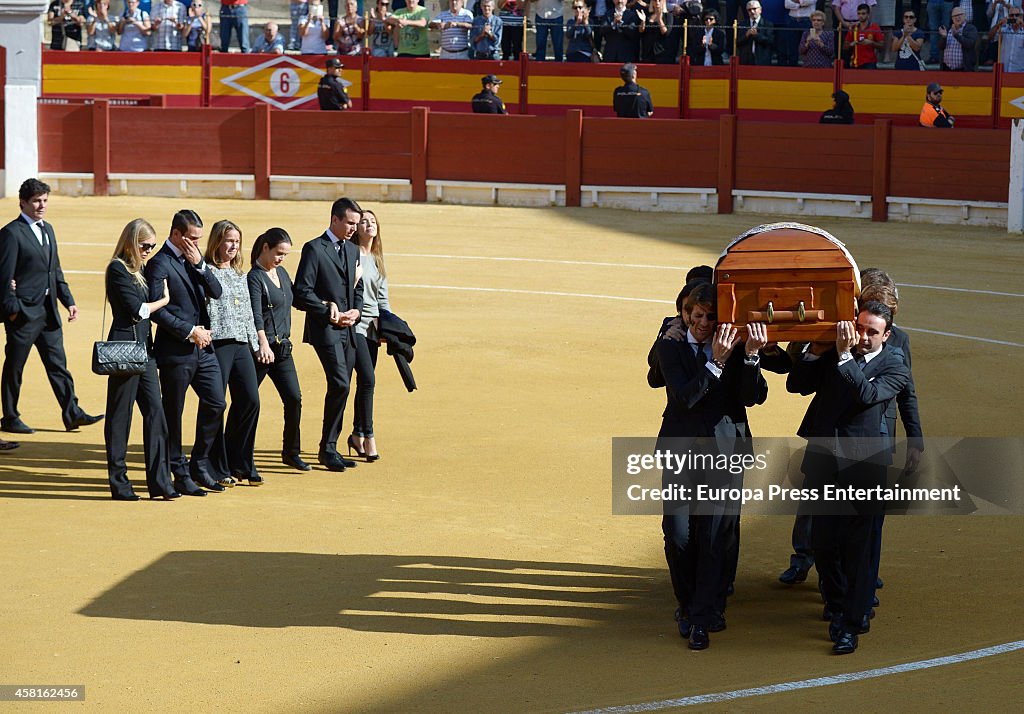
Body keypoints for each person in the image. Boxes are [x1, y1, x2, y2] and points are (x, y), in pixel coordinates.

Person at [786, 302, 910, 655]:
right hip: (825, 460)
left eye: (873, 332)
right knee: (823, 546)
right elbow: (797, 384)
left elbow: (868, 395)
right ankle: (839, 605)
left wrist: (842, 357)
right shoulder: (837, 353)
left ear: (887, 335)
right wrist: (815, 351)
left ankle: (850, 624)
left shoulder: (895, 365)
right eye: (861, 329)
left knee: (859, 549)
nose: (864, 337)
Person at [657, 282, 768, 651]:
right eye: (696, 314)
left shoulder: (735, 346)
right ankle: (688, 604)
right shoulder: (669, 346)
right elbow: (685, 398)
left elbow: (752, 397)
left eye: (709, 316)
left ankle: (702, 617)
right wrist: (716, 361)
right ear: (684, 313)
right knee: (678, 534)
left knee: (714, 536)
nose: (702, 323)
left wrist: (750, 356)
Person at [0, 179, 102, 435]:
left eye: (45, 200)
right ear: (22, 202)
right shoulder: (11, 233)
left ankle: (72, 413)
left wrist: (68, 301)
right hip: (23, 314)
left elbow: (54, 270)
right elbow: (3, 275)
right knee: (15, 367)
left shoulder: (48, 230)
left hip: (48, 313)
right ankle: (11, 417)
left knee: (58, 365)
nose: (41, 205)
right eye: (36, 201)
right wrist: (13, 309)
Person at [144, 209, 226, 497]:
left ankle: (199, 464)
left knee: (217, 403)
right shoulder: (159, 264)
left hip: (203, 350)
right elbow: (157, 311)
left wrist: (201, 264)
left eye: (199, 239)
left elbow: (216, 292)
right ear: (176, 234)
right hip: (176, 351)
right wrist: (190, 331)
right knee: (173, 413)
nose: (195, 244)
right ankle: (178, 472)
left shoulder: (194, 260)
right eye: (191, 238)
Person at [103, 218, 179, 502]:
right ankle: (119, 483)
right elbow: (137, 310)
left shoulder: (141, 269)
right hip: (124, 349)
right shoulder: (118, 269)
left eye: (152, 246)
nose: (148, 250)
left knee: (156, 412)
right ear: (131, 243)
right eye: (144, 245)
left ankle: (160, 482)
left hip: (144, 351)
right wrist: (164, 300)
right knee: (120, 417)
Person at [292, 197, 364, 473]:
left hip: (349, 329)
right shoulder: (314, 249)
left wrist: (355, 311)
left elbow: (357, 287)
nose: (353, 229)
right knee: (341, 384)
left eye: (356, 224)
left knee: (343, 385)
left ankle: (330, 446)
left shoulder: (353, 250)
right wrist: (327, 309)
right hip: (325, 329)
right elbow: (302, 292)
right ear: (335, 219)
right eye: (349, 223)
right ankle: (328, 448)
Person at [202, 221, 262, 487]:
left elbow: (248, 313)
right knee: (217, 405)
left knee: (251, 401)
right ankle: (216, 465)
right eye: (228, 240)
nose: (233, 246)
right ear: (217, 241)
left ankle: (241, 460)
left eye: (237, 241)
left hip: (241, 345)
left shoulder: (240, 274)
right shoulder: (206, 272)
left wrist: (256, 345)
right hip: (218, 344)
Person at [248, 228, 308, 472]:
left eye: (285, 254)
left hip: (282, 349)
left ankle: (291, 452)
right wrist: (262, 342)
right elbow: (254, 314)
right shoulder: (254, 277)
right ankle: (239, 453)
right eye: (279, 253)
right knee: (249, 403)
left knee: (294, 398)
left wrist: (325, 304)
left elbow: (296, 300)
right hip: (262, 351)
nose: (281, 258)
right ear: (265, 247)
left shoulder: (281, 273)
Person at [347, 210, 389, 463]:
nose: (369, 224)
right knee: (369, 380)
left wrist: (388, 326)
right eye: (364, 221)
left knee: (365, 382)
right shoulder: (352, 256)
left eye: (373, 221)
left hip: (374, 327)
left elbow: (383, 296)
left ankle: (356, 434)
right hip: (357, 325)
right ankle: (369, 435)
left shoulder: (376, 257)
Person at [938, 5, 979, 69]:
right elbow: (940, 47)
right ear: (952, 18)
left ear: (965, 16)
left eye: (960, 14)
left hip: (964, 70)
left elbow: (970, 44)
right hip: (947, 69)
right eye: (955, 16)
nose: (957, 17)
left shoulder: (971, 28)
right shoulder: (948, 29)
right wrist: (944, 37)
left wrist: (956, 35)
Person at [737, 0, 776, 65]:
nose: (752, 11)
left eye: (754, 9)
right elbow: (738, 42)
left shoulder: (768, 24)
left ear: (760, 10)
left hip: (762, 60)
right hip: (746, 61)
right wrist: (746, 35)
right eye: (749, 10)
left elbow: (770, 41)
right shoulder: (743, 24)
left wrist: (757, 35)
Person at [845, 3, 884, 68]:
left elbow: (882, 46)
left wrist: (871, 43)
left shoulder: (874, 27)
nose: (860, 16)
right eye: (859, 13)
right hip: (855, 63)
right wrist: (851, 44)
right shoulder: (853, 28)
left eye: (863, 14)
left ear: (868, 15)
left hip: (870, 63)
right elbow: (845, 47)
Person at [988, 5, 1024, 71]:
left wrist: (1022, 24)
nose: (1014, 17)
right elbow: (990, 37)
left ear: (1021, 16)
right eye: (1012, 15)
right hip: (1005, 71)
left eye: (1017, 15)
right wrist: (998, 24)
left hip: (1020, 71)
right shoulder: (1003, 30)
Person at [783, 0, 815, 67]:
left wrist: (795, 2)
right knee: (792, 47)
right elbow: (787, 4)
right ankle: (792, 68)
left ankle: (809, 68)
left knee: (809, 45)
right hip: (792, 20)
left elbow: (809, 2)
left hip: (807, 20)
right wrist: (800, 4)